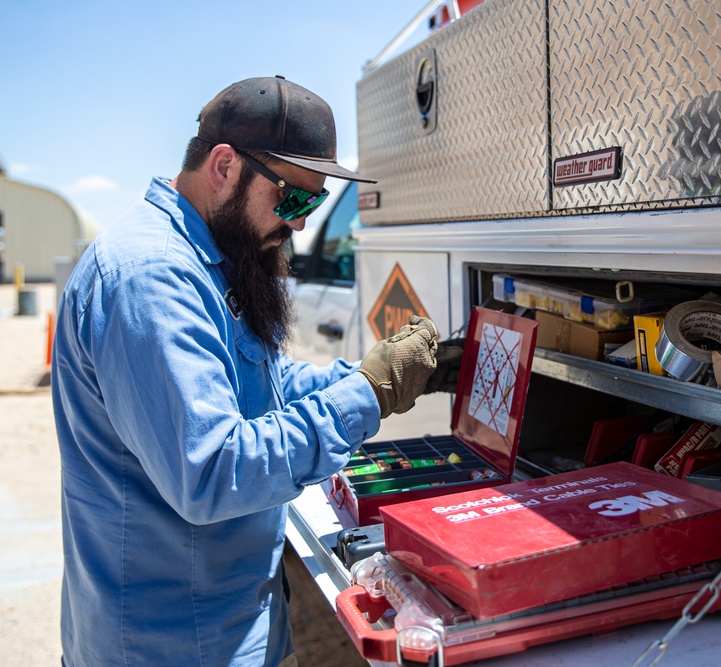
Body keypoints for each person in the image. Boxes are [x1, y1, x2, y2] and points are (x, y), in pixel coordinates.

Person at [51, 75, 439, 667]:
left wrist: (376, 377)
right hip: (173, 645)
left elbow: (265, 391)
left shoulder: (208, 254)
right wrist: (365, 394)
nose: (302, 224)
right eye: (294, 199)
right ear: (225, 166)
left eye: (314, 203)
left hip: (223, 624)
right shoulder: (151, 278)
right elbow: (213, 470)